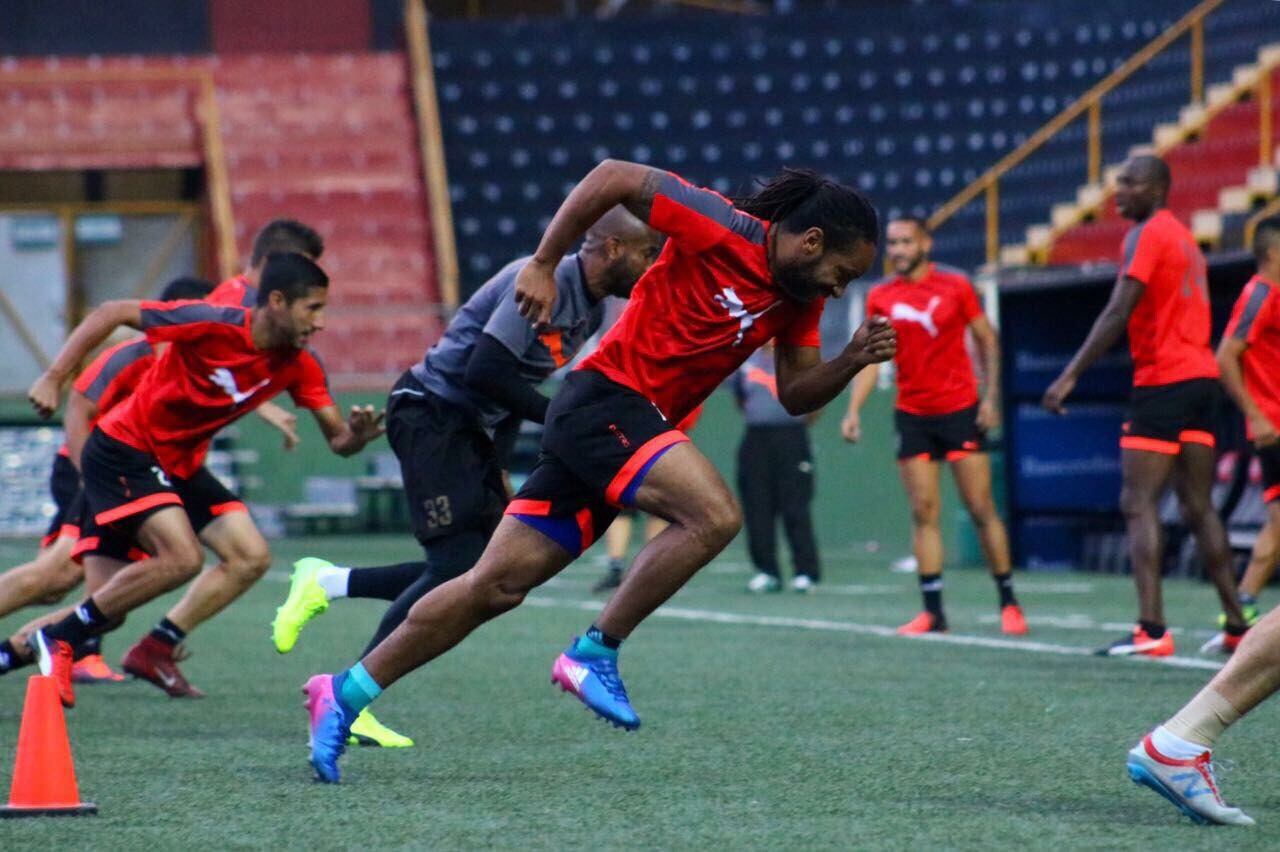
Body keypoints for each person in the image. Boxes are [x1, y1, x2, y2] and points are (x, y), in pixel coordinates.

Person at [299, 159, 895, 784]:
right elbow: (613, 176)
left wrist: (852, 358)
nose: (838, 290)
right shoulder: (720, 225)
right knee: (714, 516)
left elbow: (797, 394)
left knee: (492, 587)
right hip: (606, 401)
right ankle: (595, 650)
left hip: (619, 428)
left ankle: (343, 692)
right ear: (812, 241)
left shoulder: (798, 300)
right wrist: (541, 262)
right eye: (842, 274)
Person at [269, 206, 662, 747]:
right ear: (614, 248)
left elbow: (513, 387)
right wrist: (562, 418)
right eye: (647, 253)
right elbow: (485, 370)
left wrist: (499, 468)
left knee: (486, 576)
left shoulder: (591, 313)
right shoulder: (539, 280)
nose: (652, 265)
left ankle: (330, 585)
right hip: (430, 410)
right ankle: (348, 697)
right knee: (455, 565)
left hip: (471, 428)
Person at [24, 252, 385, 709]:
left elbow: (338, 440)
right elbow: (112, 312)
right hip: (124, 449)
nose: (322, 322)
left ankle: (156, 647)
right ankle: (59, 638)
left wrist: (357, 437)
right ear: (277, 301)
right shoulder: (212, 322)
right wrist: (54, 377)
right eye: (312, 308)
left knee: (249, 556)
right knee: (169, 562)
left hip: (179, 468)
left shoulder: (300, 364)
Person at [1043, 155, 1248, 656]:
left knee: (1138, 504)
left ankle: (1151, 630)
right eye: (1118, 182)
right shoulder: (1184, 238)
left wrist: (1069, 375)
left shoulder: (1147, 234)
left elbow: (1118, 310)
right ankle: (1237, 625)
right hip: (1201, 380)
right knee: (1199, 507)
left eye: (1129, 183)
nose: (1119, 192)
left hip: (1164, 381)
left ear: (1157, 189)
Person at [0, 277, 215, 684]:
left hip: (125, 477)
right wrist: (93, 483)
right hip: (87, 471)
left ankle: (68, 654)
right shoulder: (132, 357)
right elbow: (78, 411)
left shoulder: (200, 367)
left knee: (102, 603)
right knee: (56, 575)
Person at [843, 217, 1026, 635]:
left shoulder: (956, 286)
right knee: (923, 512)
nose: (898, 250)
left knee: (980, 508)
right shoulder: (881, 296)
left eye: (906, 242)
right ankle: (933, 612)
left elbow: (987, 339)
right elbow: (872, 359)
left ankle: (1009, 601)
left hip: (960, 410)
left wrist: (991, 398)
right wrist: (853, 409)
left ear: (926, 244)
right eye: (892, 243)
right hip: (912, 414)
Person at [1199, 214, 1280, 652]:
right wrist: (1256, 415)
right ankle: (1240, 614)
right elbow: (1225, 356)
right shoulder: (1260, 293)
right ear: (1272, 252)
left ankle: (1240, 613)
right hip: (1274, 426)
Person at [733, 342, 821, 593]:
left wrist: (797, 424)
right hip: (756, 438)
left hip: (791, 437)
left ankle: (805, 571)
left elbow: (816, 401)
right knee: (757, 507)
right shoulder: (746, 360)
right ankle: (767, 570)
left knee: (795, 506)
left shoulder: (798, 359)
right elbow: (740, 398)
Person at [590, 404, 702, 593]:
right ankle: (618, 567)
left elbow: (689, 413)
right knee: (621, 507)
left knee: (659, 509)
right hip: (633, 445)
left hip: (664, 445)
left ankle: (648, 569)